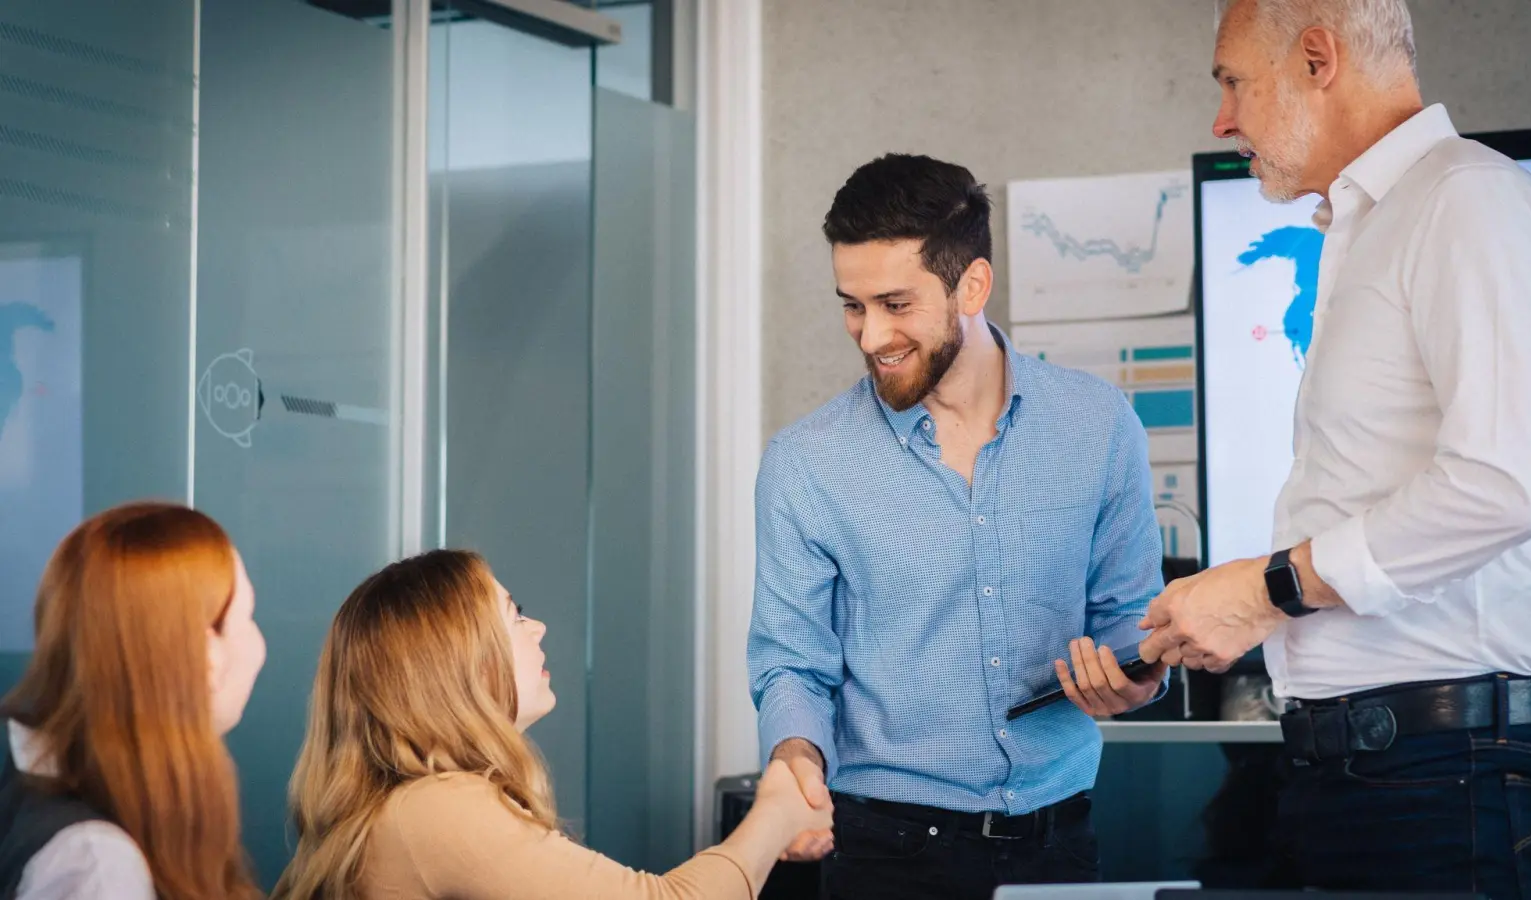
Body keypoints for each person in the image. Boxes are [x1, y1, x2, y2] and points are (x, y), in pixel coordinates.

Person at [1140, 0, 1531, 895]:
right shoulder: (1374, 225)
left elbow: (1502, 486)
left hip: (1445, 773)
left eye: (1232, 81)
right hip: (1374, 770)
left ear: (1318, 57)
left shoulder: (1468, 199)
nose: (1221, 118)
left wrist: (1267, 589)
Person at [747, 153, 1169, 900]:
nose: (871, 335)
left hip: (1059, 841)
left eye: (896, 304)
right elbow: (791, 664)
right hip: (886, 853)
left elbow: (1129, 623)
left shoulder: (1099, 426)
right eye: (852, 304)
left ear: (972, 284)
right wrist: (796, 762)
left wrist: (1136, 679)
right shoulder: (805, 464)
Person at [271, 549, 830, 900]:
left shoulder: (398, 810)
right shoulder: (438, 808)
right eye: (513, 614)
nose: (537, 627)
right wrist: (776, 807)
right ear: (457, 662)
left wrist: (766, 841)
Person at [0, 502, 266, 900]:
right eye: (247, 617)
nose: (259, 643)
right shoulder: (98, 870)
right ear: (206, 657)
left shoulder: (56, 793)